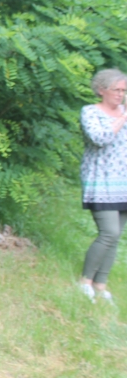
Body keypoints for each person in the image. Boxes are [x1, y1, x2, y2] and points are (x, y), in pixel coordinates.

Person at [78, 68, 127, 303]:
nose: (121, 95)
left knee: (116, 237)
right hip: (101, 181)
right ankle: (85, 281)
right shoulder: (90, 112)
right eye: (116, 90)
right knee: (109, 232)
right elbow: (100, 138)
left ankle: (101, 284)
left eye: (124, 91)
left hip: (124, 182)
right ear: (101, 90)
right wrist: (123, 118)